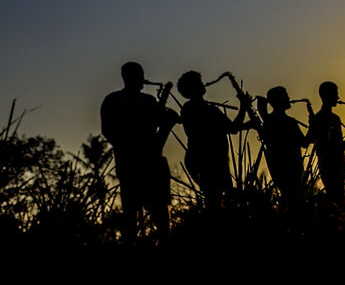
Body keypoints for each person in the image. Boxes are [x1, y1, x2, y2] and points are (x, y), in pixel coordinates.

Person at [100, 62, 179, 242]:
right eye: (140, 74)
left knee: (158, 213)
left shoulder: (147, 100)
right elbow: (108, 130)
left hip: (147, 162)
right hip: (134, 162)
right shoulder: (114, 100)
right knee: (134, 215)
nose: (143, 78)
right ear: (130, 77)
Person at [177, 70, 253, 209]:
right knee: (215, 202)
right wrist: (243, 107)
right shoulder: (194, 109)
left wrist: (245, 113)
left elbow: (232, 128)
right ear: (192, 88)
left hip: (216, 161)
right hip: (208, 162)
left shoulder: (204, 108)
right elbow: (232, 128)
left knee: (221, 201)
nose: (202, 84)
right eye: (198, 83)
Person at [307, 81, 345, 209]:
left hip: (333, 166)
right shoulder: (327, 118)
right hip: (332, 167)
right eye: (335, 94)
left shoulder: (331, 118)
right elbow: (338, 147)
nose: (338, 98)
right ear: (326, 95)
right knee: (336, 204)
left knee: (336, 203)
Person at [256, 86, 309, 212]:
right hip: (292, 168)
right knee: (294, 203)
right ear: (279, 100)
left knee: (287, 201)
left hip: (278, 169)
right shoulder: (288, 122)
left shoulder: (269, 121)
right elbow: (305, 143)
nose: (289, 98)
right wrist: (314, 128)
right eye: (285, 96)